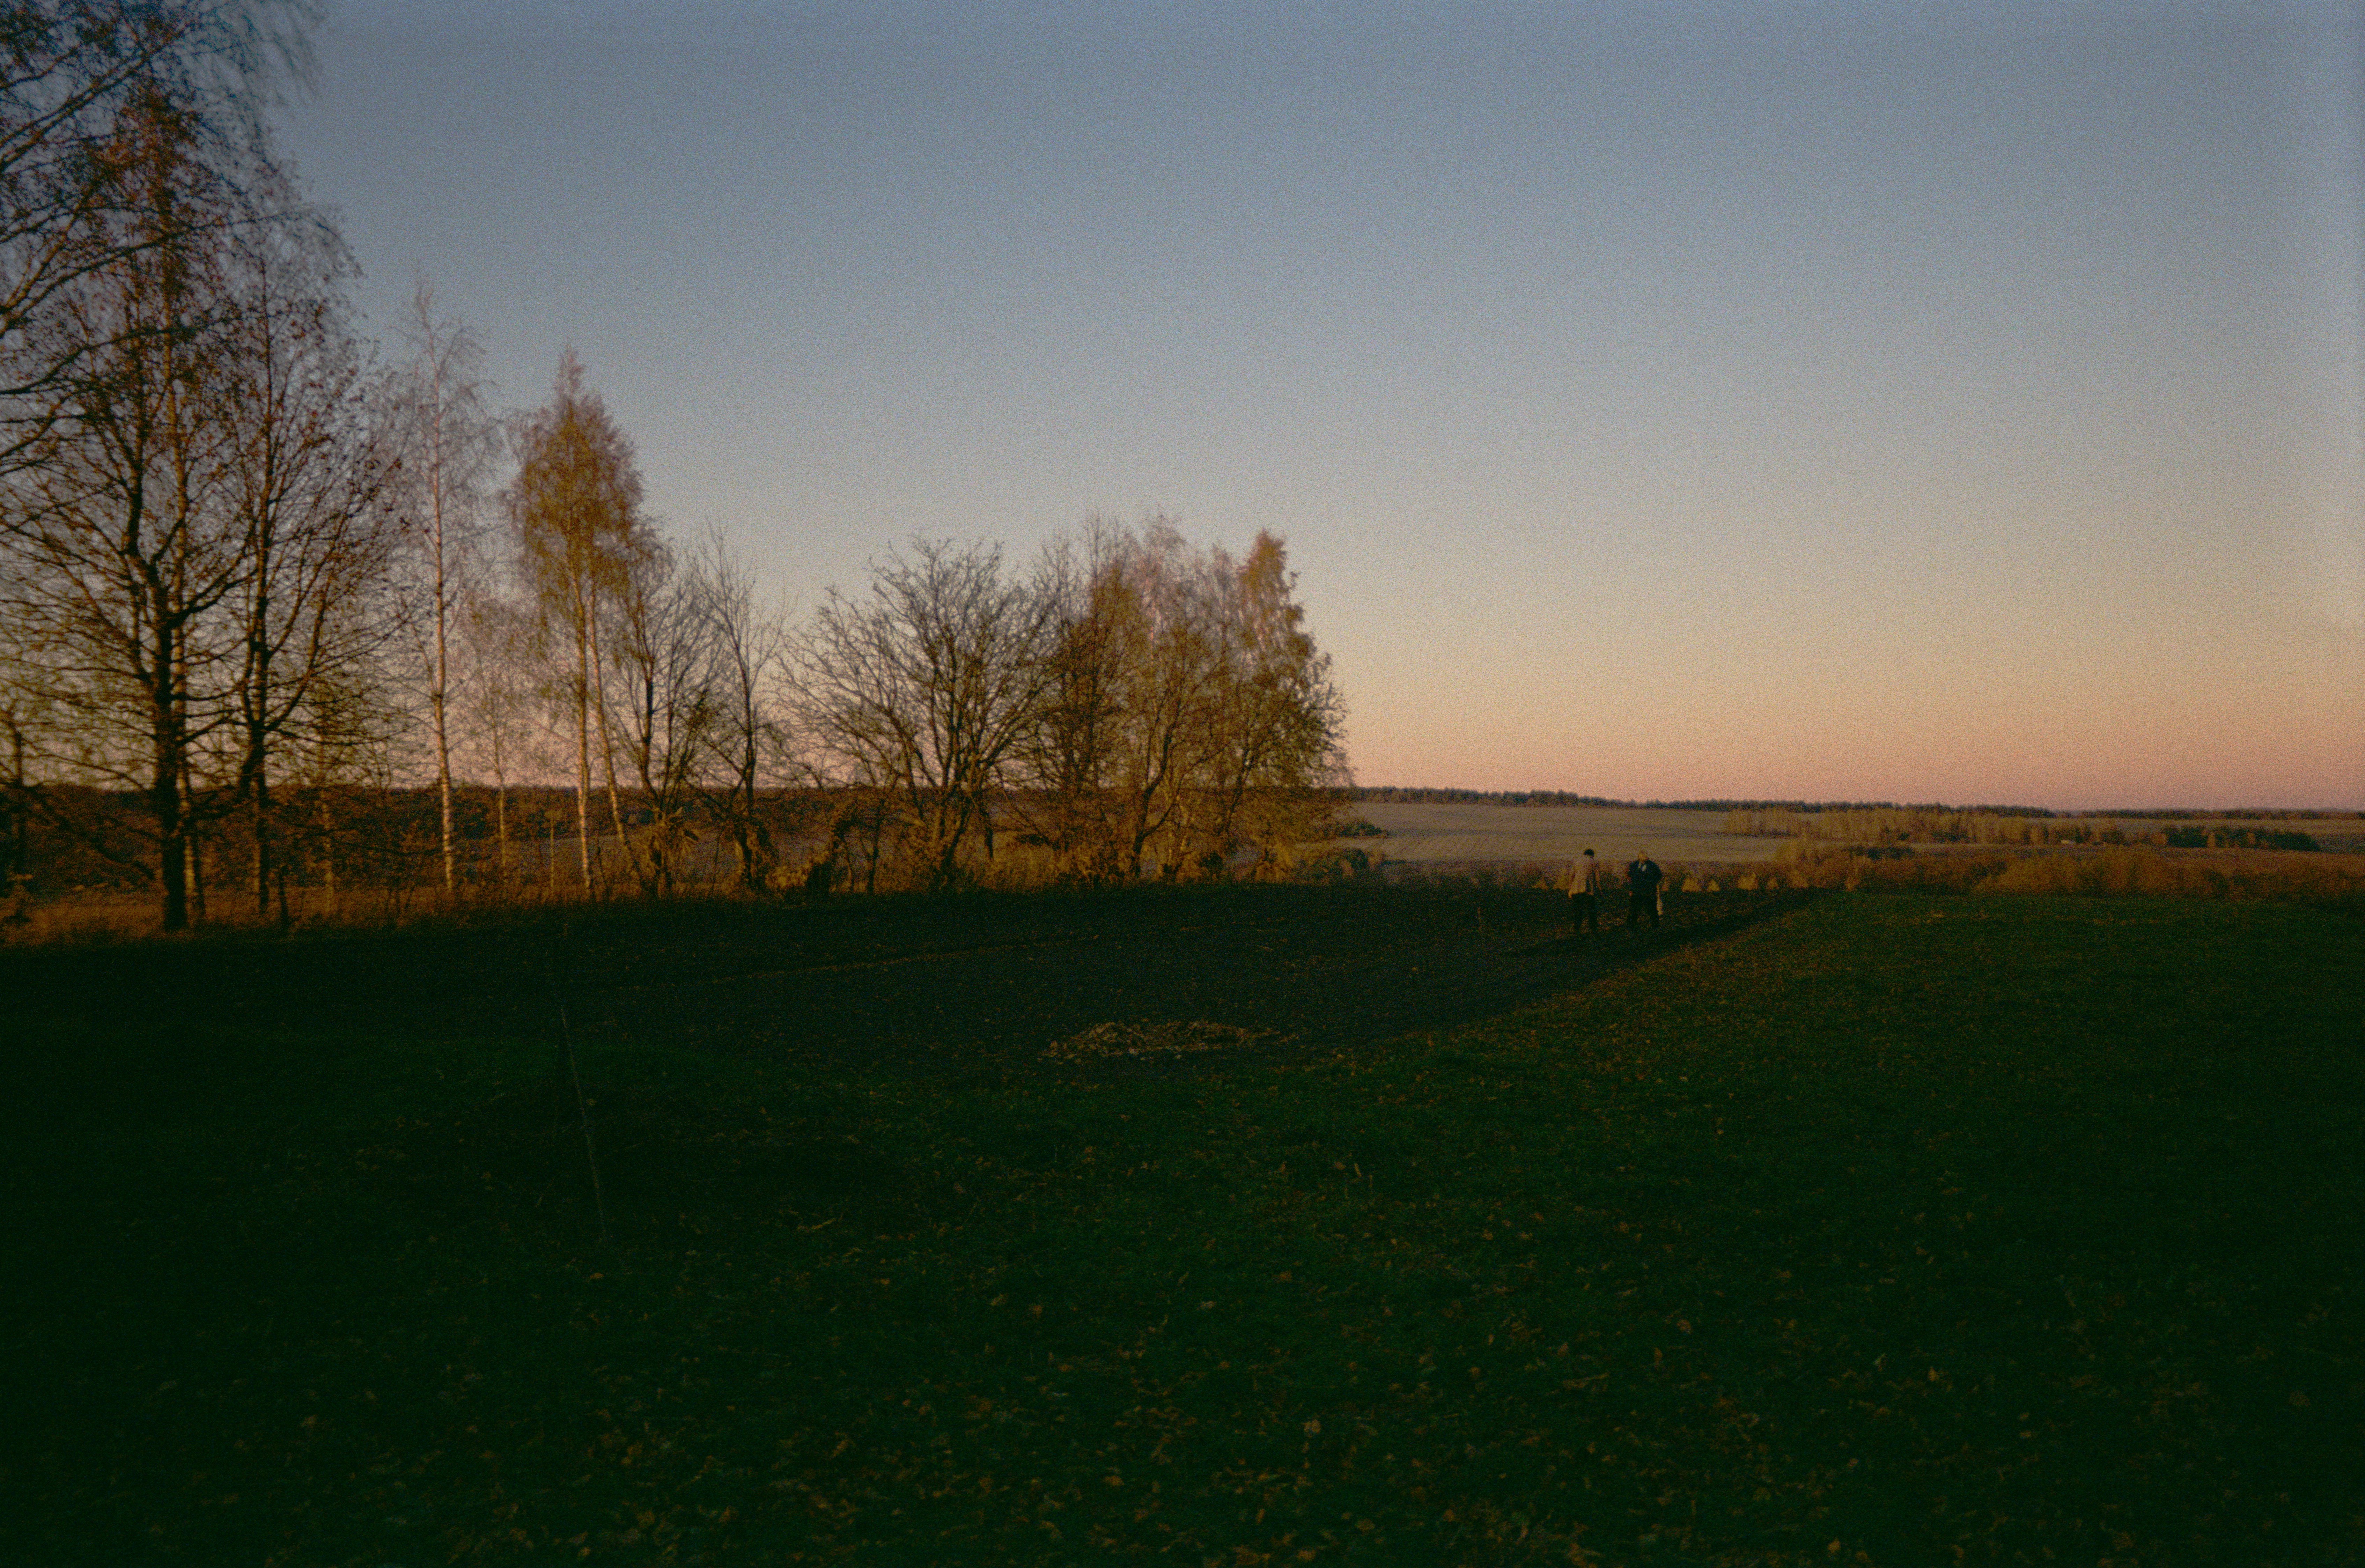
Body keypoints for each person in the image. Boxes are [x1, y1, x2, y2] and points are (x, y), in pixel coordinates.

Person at [1627, 851, 1664, 930]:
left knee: (1651, 910)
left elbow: (1659, 876)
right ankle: (1631, 926)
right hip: (1637, 891)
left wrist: (1652, 884)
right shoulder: (1634, 865)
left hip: (1649, 892)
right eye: (1642, 856)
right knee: (1634, 910)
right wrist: (1632, 889)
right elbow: (1630, 876)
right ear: (1639, 857)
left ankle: (1655, 925)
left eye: (1645, 856)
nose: (1644, 858)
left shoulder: (1653, 866)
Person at [1567, 849, 1601, 934]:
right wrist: (1599, 889)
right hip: (1589, 890)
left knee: (1578, 910)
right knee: (1591, 910)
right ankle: (1593, 929)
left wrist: (1570, 889)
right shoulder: (1594, 861)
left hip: (1576, 889)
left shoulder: (1577, 861)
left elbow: (1572, 876)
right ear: (1592, 855)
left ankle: (1577, 929)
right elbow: (1597, 877)